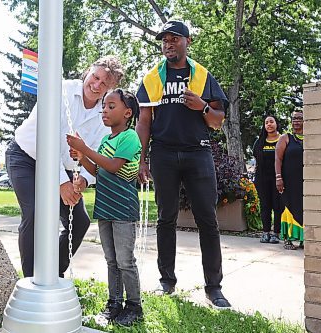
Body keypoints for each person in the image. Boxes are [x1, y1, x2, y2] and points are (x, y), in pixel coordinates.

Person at [135, 19, 231, 308]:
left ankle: (214, 287)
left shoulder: (202, 76)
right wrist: (141, 159)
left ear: (187, 42)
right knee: (166, 218)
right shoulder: (153, 78)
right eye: (164, 39)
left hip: (197, 153)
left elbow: (217, 122)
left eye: (174, 38)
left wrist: (201, 106)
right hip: (163, 154)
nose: (168, 43)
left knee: (207, 220)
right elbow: (144, 122)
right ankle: (167, 282)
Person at [5, 56, 124, 278]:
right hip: (27, 157)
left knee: (79, 222)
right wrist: (61, 182)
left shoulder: (105, 115)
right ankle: (32, 281)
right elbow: (48, 139)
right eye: (95, 77)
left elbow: (98, 153)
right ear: (88, 71)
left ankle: (53, 275)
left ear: (111, 88)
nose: (96, 85)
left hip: (65, 169)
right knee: (35, 213)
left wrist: (83, 180)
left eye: (104, 84)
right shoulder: (61, 90)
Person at [66, 89, 143, 326]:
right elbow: (98, 171)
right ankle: (114, 303)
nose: (105, 111)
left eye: (111, 106)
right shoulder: (106, 140)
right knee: (111, 260)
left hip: (123, 209)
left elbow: (112, 166)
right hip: (105, 208)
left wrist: (85, 148)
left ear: (127, 113)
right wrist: (81, 155)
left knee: (125, 260)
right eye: (104, 107)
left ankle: (134, 306)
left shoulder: (129, 137)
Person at [275, 111, 304, 250]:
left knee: (305, 208)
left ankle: (304, 238)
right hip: (288, 181)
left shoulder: (311, 138)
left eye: (300, 118)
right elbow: (278, 159)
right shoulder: (285, 138)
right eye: (294, 119)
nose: (296, 121)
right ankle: (288, 239)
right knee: (288, 207)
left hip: (305, 181)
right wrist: (278, 178)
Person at [252, 115, 283, 244]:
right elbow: (255, 157)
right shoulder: (259, 142)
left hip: (278, 179)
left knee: (277, 206)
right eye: (266, 123)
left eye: (271, 122)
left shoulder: (283, 140)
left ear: (276, 124)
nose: (269, 124)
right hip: (262, 179)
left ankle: (276, 233)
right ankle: (265, 232)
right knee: (265, 206)